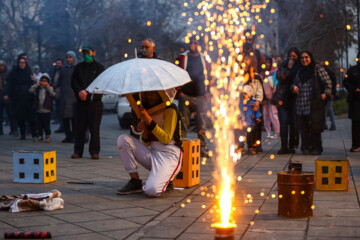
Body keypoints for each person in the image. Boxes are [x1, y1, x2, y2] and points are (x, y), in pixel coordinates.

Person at [117, 91, 183, 196]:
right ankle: (135, 181)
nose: (150, 97)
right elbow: (146, 143)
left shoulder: (170, 109)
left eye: (153, 94)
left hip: (170, 155)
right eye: (147, 94)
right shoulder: (146, 110)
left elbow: (166, 139)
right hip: (153, 153)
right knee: (123, 139)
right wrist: (144, 131)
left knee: (151, 190)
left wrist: (149, 120)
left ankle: (166, 179)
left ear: (160, 94)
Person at [175, 36, 211, 157]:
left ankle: (203, 147)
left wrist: (208, 92)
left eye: (195, 43)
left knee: (202, 123)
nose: (193, 44)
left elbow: (210, 75)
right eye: (191, 42)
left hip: (200, 96)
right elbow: (175, 74)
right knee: (183, 122)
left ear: (199, 44)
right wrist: (179, 91)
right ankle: (181, 147)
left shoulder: (204, 59)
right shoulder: (182, 58)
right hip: (185, 95)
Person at [292, 51, 332, 155]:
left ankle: (316, 147)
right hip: (301, 104)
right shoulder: (299, 70)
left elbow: (328, 82)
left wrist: (325, 94)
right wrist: (294, 87)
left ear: (311, 58)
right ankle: (305, 147)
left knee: (315, 127)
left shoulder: (317, 68)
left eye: (306, 57)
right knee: (303, 128)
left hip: (314, 103)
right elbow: (294, 83)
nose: (304, 60)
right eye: (302, 58)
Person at [71, 43, 105, 159]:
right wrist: (80, 91)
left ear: (93, 53)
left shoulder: (99, 68)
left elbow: (101, 85)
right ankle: (78, 151)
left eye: (88, 52)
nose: (86, 55)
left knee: (94, 128)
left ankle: (94, 151)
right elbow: (73, 82)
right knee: (79, 128)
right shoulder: (78, 68)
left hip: (94, 103)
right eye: (84, 53)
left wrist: (88, 93)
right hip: (81, 103)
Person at [130, 38, 161, 140]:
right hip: (139, 99)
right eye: (142, 47)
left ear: (153, 48)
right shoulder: (136, 62)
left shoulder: (159, 63)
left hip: (154, 101)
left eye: (146, 47)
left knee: (152, 129)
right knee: (136, 128)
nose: (144, 49)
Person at [243, 29, 266, 152]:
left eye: (250, 39)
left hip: (256, 85)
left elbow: (264, 65)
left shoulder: (257, 54)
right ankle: (240, 145)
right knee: (241, 118)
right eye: (246, 39)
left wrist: (261, 75)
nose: (248, 41)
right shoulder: (238, 53)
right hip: (242, 85)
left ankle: (256, 144)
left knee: (256, 117)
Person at [275, 47, 301, 154]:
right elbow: (280, 77)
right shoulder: (284, 64)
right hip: (283, 98)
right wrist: (288, 68)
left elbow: (297, 79)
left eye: (294, 56)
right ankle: (284, 146)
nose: (292, 58)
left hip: (295, 99)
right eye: (290, 56)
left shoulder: (300, 66)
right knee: (284, 123)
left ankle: (292, 145)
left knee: (294, 124)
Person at [4, 57, 36, 140]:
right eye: (20, 62)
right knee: (21, 117)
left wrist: (34, 80)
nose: (22, 64)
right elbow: (9, 83)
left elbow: (34, 84)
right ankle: (22, 134)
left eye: (23, 62)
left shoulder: (28, 71)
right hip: (17, 98)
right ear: (18, 63)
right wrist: (7, 94)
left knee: (31, 117)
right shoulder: (14, 72)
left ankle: (34, 134)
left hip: (28, 97)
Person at [29, 73, 56, 143]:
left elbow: (53, 94)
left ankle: (47, 136)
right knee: (39, 124)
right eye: (42, 81)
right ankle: (39, 136)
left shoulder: (49, 88)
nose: (43, 82)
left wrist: (48, 87)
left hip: (46, 110)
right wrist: (36, 85)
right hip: (38, 109)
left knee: (46, 124)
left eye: (45, 81)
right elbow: (30, 90)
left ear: (47, 82)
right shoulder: (38, 88)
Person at [57, 51, 77, 143]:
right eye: (67, 57)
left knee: (74, 119)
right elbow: (59, 81)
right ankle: (67, 136)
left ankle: (74, 136)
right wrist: (52, 86)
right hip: (64, 96)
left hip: (74, 97)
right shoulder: (63, 69)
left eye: (70, 57)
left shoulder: (77, 68)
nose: (68, 59)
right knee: (65, 118)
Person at [236, 85, 261, 154]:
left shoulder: (252, 102)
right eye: (243, 93)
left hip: (250, 122)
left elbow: (257, 111)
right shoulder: (240, 102)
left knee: (250, 136)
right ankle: (240, 148)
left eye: (245, 93)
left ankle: (251, 147)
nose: (244, 95)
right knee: (241, 136)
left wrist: (257, 117)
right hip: (241, 122)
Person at [343, 52, 360, 152]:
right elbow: (345, 81)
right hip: (355, 100)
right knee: (356, 123)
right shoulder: (352, 70)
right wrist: (354, 89)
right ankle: (355, 144)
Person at [263, 57, 280, 139]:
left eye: (268, 62)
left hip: (273, 97)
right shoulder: (263, 73)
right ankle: (268, 132)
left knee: (273, 114)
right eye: (266, 62)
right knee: (266, 114)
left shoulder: (275, 73)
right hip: (265, 98)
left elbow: (276, 85)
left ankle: (278, 132)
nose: (267, 64)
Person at [320, 61, 337, 130]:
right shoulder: (328, 72)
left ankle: (331, 124)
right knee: (326, 109)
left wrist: (332, 93)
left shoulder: (329, 73)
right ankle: (326, 124)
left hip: (327, 93)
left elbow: (333, 83)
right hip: (324, 93)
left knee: (329, 109)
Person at [52, 59, 63, 130]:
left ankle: (62, 124)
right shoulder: (54, 71)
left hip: (62, 92)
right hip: (56, 92)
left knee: (61, 108)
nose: (57, 64)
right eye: (57, 63)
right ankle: (58, 120)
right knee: (57, 107)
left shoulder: (63, 71)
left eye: (59, 63)